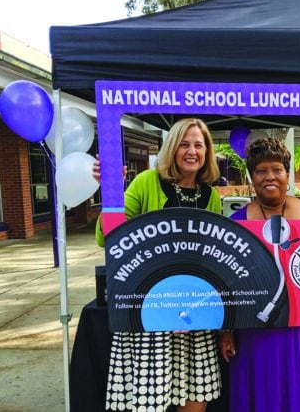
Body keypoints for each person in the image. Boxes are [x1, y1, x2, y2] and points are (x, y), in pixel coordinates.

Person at [93, 118, 223, 412]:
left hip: (193, 313)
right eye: (184, 144)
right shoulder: (146, 182)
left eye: (198, 145)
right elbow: (109, 240)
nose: (192, 151)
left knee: (196, 393)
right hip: (150, 310)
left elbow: (212, 257)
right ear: (172, 147)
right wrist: (110, 192)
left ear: (207, 152)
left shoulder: (211, 195)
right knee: (150, 400)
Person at [218, 137, 300, 412]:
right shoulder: (237, 222)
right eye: (261, 170)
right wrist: (227, 331)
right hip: (257, 330)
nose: (269, 177)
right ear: (251, 177)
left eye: (276, 169)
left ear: (287, 174)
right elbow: (227, 283)